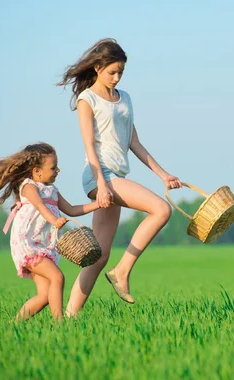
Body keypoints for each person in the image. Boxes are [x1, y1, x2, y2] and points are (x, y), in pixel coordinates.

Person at [57, 38, 182, 315]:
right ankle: (122, 271)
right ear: (98, 68)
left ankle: (68, 319)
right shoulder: (87, 99)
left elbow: (134, 142)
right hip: (98, 176)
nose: (116, 77)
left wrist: (163, 175)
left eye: (121, 72)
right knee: (161, 210)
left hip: (115, 177)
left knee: (98, 256)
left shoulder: (124, 98)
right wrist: (102, 185)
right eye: (112, 72)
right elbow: (89, 146)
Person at [0, 142, 101, 321]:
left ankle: (15, 324)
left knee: (45, 295)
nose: (58, 171)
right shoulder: (29, 187)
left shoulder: (53, 190)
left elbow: (71, 209)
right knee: (57, 277)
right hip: (29, 245)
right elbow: (39, 206)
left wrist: (97, 204)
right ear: (37, 171)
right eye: (53, 167)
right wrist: (54, 219)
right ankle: (59, 324)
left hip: (46, 246)